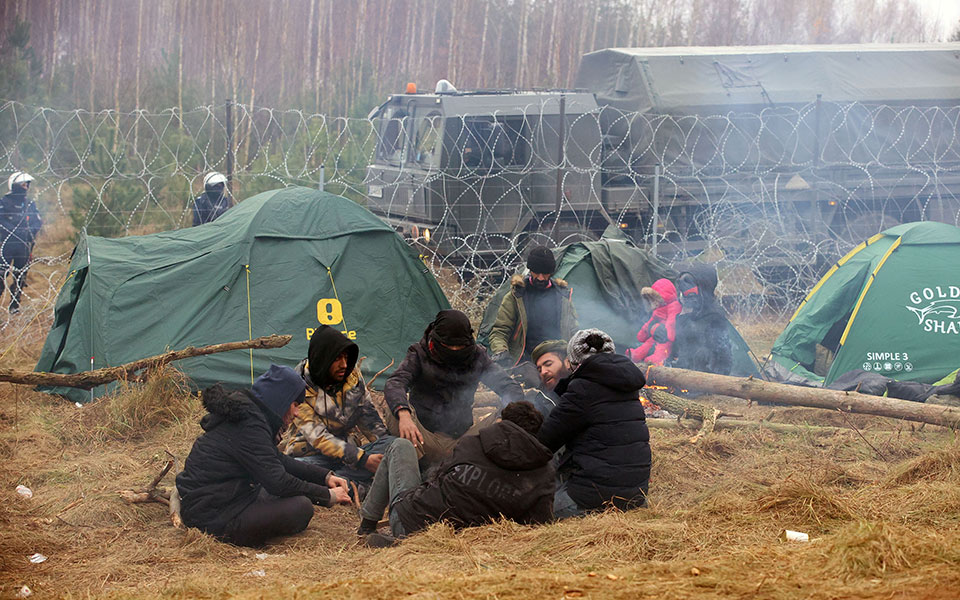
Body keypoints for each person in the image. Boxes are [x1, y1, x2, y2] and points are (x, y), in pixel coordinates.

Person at [176, 367, 352, 547]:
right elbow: (278, 482)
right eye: (295, 405)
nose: (297, 413)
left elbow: (278, 460)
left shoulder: (249, 415)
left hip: (218, 500)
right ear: (281, 400)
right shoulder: (249, 424)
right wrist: (328, 495)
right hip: (213, 515)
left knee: (276, 492)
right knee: (301, 508)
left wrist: (325, 477)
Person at [357, 401, 556, 546]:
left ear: (500, 421)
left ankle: (367, 525)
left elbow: (436, 478)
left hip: (411, 523)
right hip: (465, 543)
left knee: (400, 445)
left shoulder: (472, 443)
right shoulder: (544, 474)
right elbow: (539, 527)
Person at [383, 309, 523, 464]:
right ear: (436, 340)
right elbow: (395, 382)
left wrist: (501, 420)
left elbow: (510, 388)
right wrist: (404, 415)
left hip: (465, 442)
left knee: (514, 413)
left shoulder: (477, 356)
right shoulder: (420, 353)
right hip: (423, 438)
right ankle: (421, 466)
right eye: (449, 346)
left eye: (460, 347)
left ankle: (462, 463)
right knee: (394, 411)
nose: (454, 351)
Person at [538, 329, 651, 519]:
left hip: (595, 497)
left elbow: (544, 442)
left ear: (573, 362)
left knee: (534, 508)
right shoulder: (627, 386)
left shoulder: (583, 388)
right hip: (635, 495)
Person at [278, 326, 393, 487]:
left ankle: (340, 481)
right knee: (292, 469)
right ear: (323, 358)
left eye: (346, 358)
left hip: (348, 451)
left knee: (392, 445)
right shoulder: (299, 384)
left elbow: (370, 421)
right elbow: (319, 437)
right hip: (311, 454)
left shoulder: (352, 378)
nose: (344, 365)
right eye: (337, 358)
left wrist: (385, 450)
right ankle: (345, 482)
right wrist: (362, 459)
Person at [488, 246, 578, 367]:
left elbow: (573, 331)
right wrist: (501, 350)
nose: (541, 278)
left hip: (558, 359)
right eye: (537, 272)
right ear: (530, 270)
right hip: (525, 360)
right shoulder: (516, 296)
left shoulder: (563, 297)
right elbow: (500, 331)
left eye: (545, 273)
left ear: (551, 272)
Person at [668, 265, 733, 375]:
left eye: (688, 282)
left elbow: (723, 357)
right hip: (685, 374)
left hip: (706, 377)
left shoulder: (714, 316)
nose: (683, 290)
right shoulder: (689, 313)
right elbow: (679, 346)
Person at [0, 172, 42, 314]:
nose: (26, 187)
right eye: (23, 184)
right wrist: (14, 231)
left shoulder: (29, 204)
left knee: (20, 276)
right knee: (1, 275)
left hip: (23, 246)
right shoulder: (4, 202)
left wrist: (29, 232)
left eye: (27, 184)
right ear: (15, 185)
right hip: (6, 245)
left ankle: (14, 307)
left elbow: (37, 221)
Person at [626, 278, 682, 366]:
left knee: (662, 347)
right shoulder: (658, 309)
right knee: (647, 344)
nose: (654, 303)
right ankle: (635, 355)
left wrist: (667, 333)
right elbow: (650, 322)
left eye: (655, 299)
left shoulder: (674, 306)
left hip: (665, 338)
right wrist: (644, 332)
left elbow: (671, 323)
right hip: (655, 336)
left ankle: (657, 360)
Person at [527, 339, 572, 417]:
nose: (543, 372)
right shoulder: (540, 404)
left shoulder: (589, 387)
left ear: (567, 362)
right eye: (539, 370)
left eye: (548, 364)